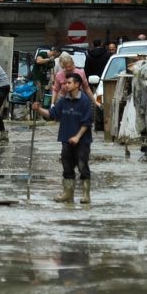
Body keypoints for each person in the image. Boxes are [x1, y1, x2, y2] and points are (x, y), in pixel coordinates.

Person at [31, 71, 94, 204]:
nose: (65, 85)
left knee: (83, 166)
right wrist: (39, 109)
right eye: (65, 83)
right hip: (66, 138)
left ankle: (85, 194)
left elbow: (87, 123)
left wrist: (77, 137)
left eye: (69, 83)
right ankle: (68, 193)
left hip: (82, 141)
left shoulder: (85, 101)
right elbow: (52, 114)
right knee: (67, 166)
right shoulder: (63, 100)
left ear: (77, 84)